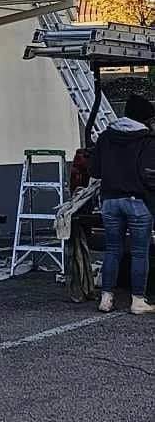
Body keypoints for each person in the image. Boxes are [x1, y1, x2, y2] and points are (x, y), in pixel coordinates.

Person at [90, 94, 155, 316]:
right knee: (139, 252)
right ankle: (138, 301)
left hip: (109, 201)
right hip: (137, 202)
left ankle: (106, 298)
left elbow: (95, 170)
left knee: (112, 250)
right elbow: (150, 175)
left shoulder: (105, 137)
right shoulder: (146, 140)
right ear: (144, 118)